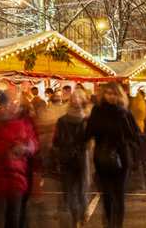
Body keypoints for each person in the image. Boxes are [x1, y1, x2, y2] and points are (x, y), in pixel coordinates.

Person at [0, 89, 38, 228]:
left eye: (17, 102)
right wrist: (9, 148)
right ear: (3, 104)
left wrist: (27, 148)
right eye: (13, 102)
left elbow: (33, 142)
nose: (15, 106)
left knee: (14, 219)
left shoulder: (24, 122)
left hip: (16, 180)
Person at [85, 82, 139, 228]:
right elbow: (89, 132)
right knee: (107, 196)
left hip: (122, 157)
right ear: (103, 94)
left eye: (114, 93)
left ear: (120, 95)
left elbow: (135, 136)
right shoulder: (97, 111)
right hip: (102, 157)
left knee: (119, 195)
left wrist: (126, 142)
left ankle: (117, 225)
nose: (111, 96)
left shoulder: (125, 113)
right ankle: (109, 223)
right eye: (108, 93)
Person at [53, 89, 89, 228]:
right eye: (74, 97)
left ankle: (78, 217)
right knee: (77, 189)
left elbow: (56, 141)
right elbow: (56, 141)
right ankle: (78, 216)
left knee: (75, 189)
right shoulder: (84, 119)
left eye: (77, 97)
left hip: (72, 156)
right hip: (76, 156)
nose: (75, 100)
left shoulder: (65, 120)